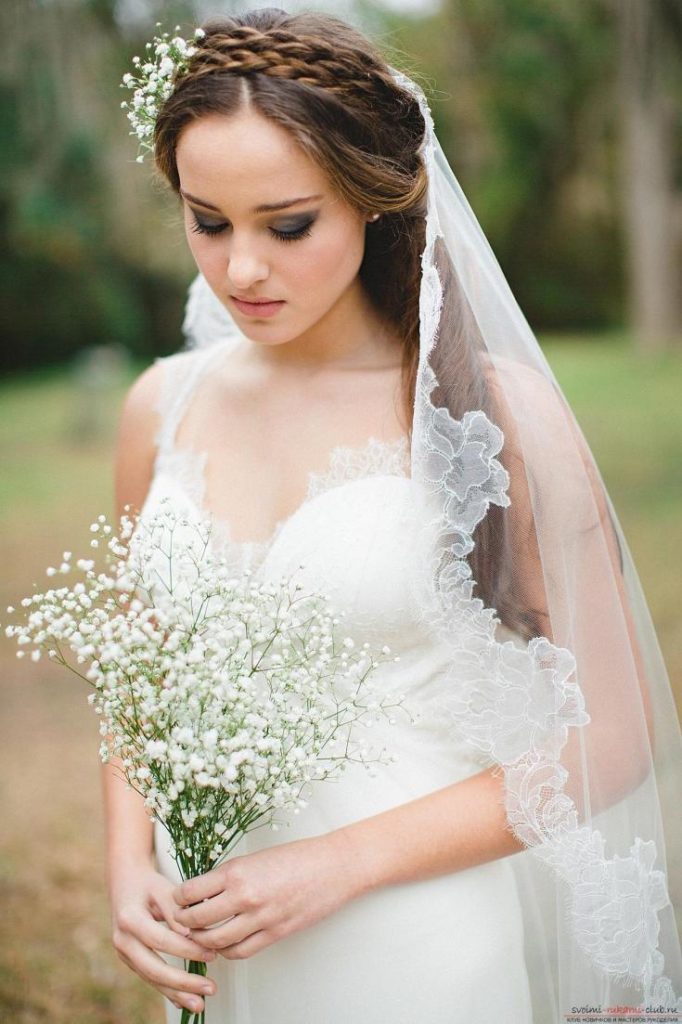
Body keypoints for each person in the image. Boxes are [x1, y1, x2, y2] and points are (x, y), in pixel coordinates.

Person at [105, 8, 682, 1023]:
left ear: (374, 200)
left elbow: (619, 732)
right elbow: (137, 679)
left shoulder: (493, 412)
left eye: (287, 224)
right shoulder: (159, 405)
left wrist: (339, 862)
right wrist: (126, 860)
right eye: (208, 221)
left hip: (412, 936)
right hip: (216, 938)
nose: (241, 268)